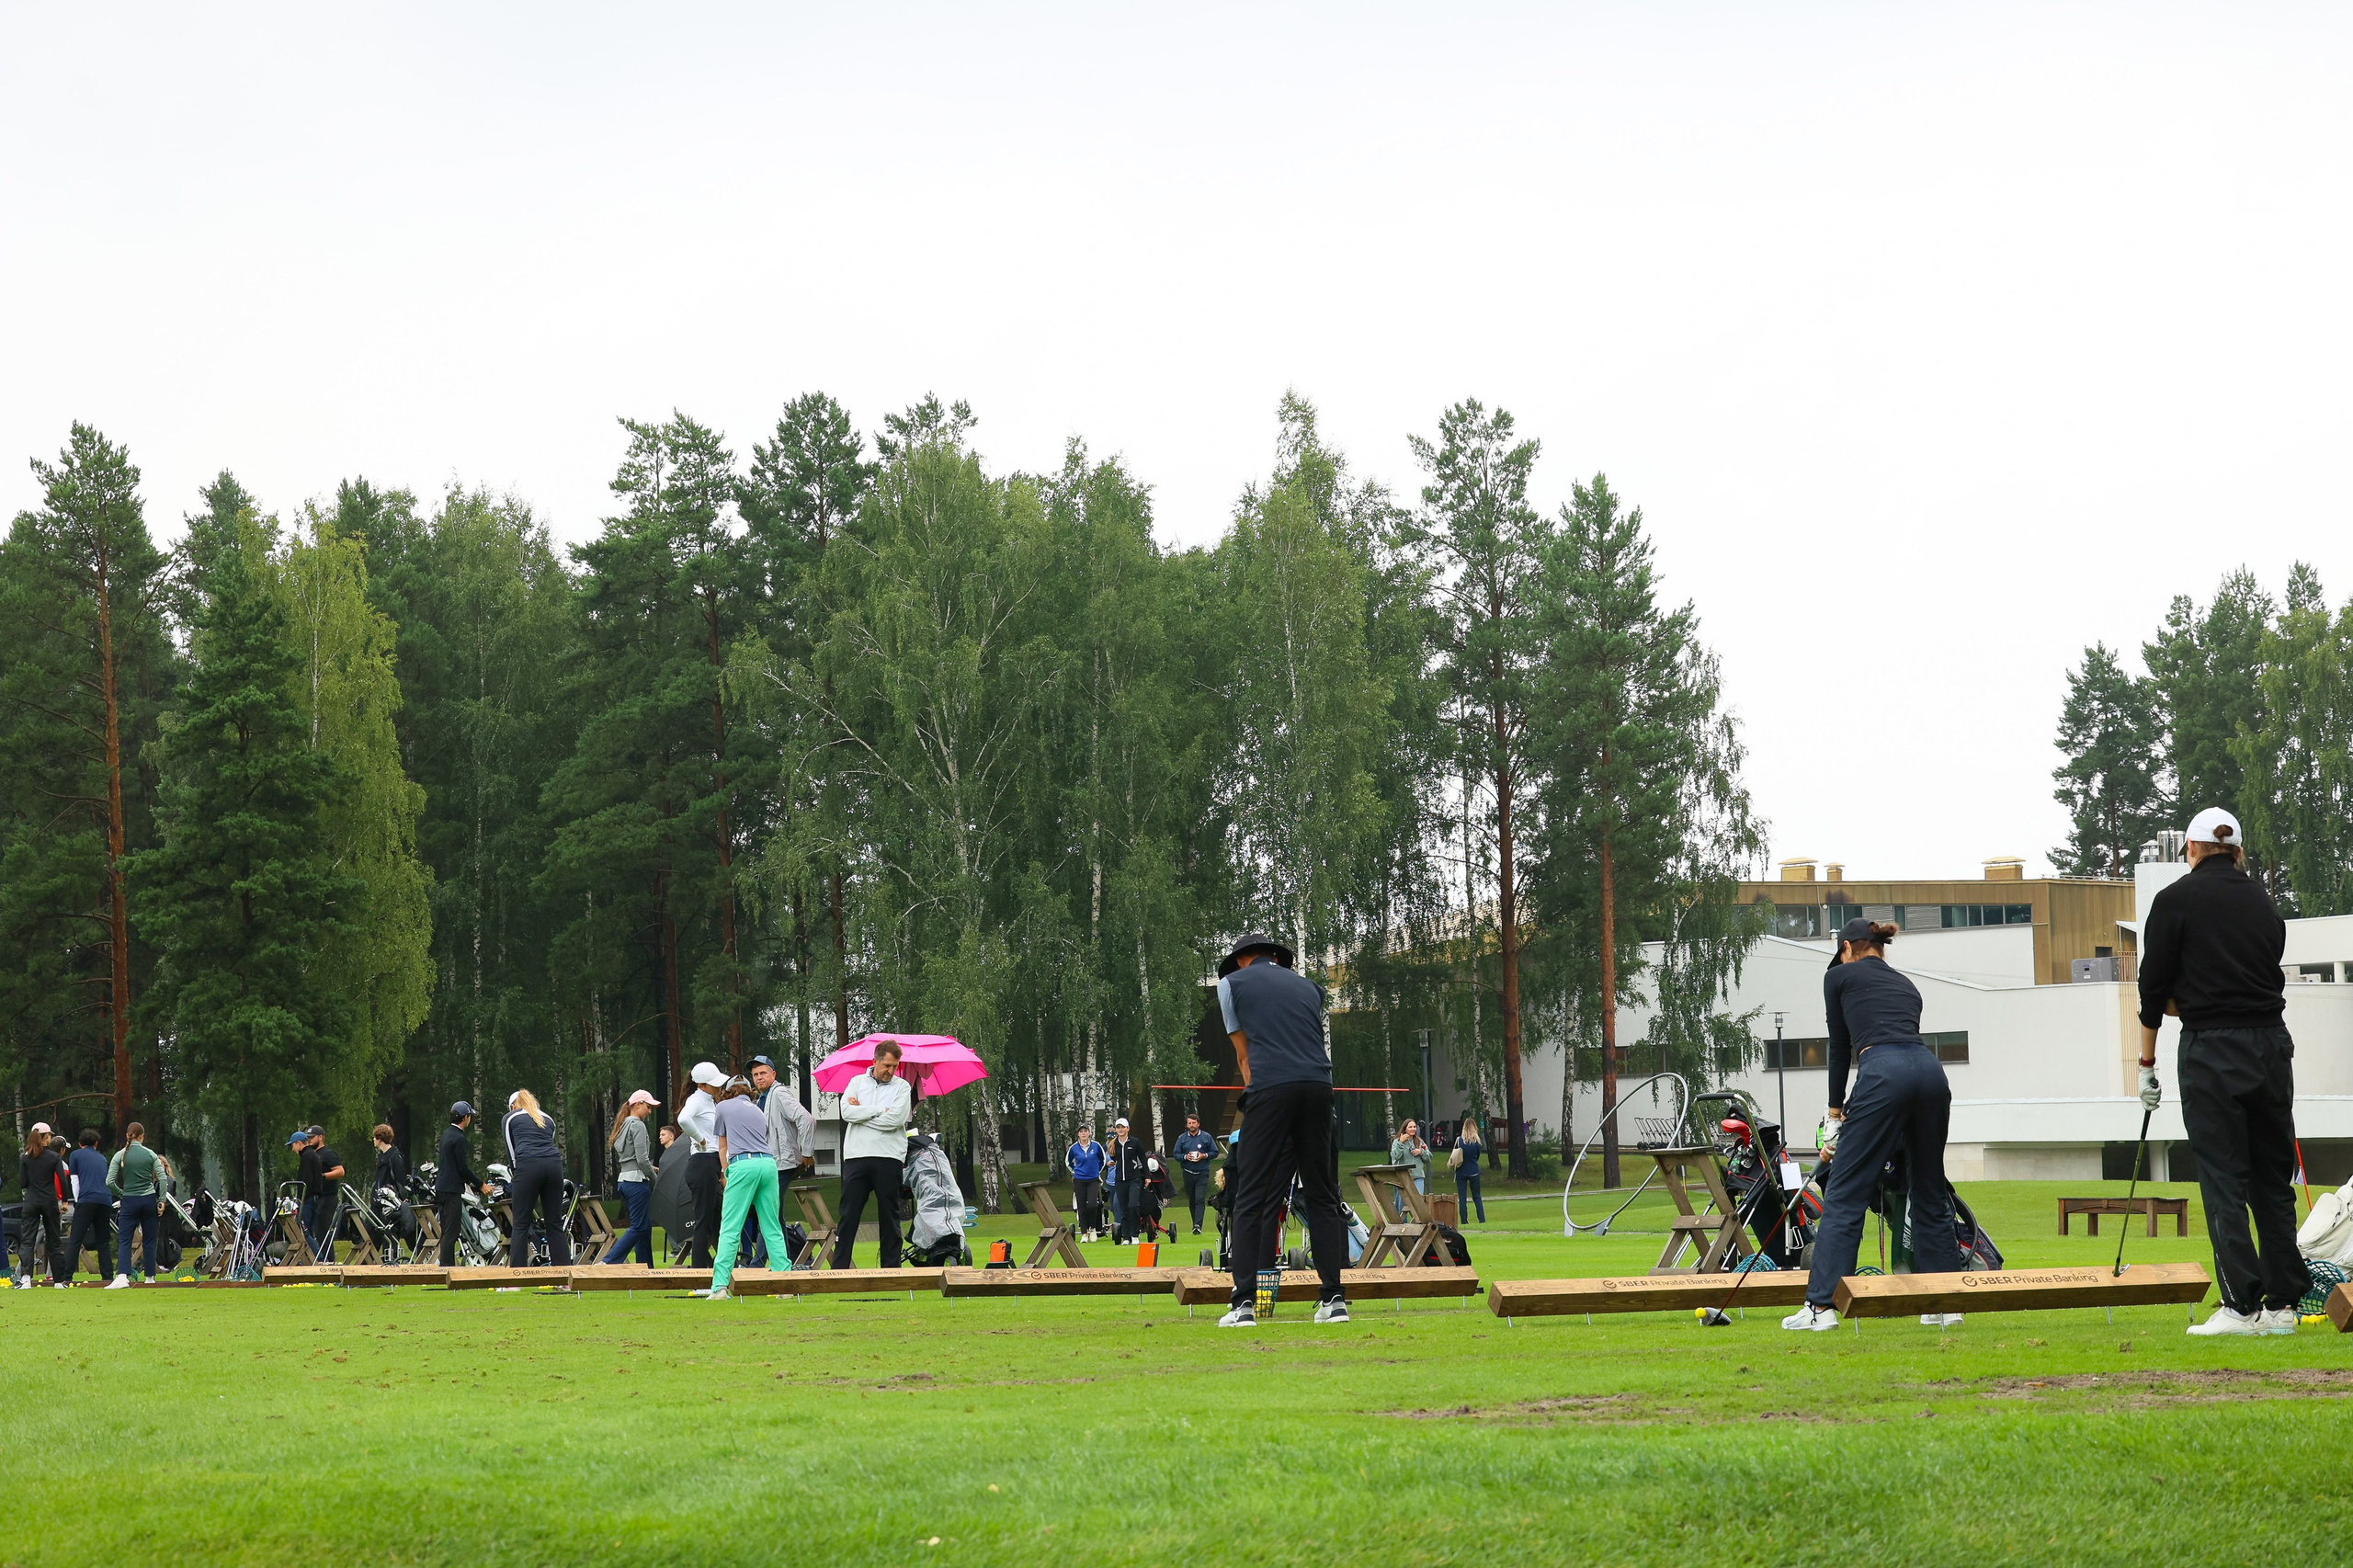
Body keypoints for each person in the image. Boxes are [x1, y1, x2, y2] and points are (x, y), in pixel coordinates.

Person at [2139, 807, 2310, 1337]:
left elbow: (2152, 993)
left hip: (2213, 1048)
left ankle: (2241, 1306)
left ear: (2190, 849)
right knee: (2271, 1178)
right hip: (2270, 1046)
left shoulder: (2173, 901)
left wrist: (2146, 1064)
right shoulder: (2264, 902)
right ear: (2237, 851)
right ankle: (2283, 1307)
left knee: (2222, 1177)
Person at [1784, 919, 1965, 1333]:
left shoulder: (1837, 976)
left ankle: (1820, 1308)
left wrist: (1834, 1116)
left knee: (1846, 1190)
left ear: (1847, 947)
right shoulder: (1907, 984)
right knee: (1930, 1189)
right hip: (1930, 1073)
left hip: (1883, 1072)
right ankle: (1945, 1302)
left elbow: (1838, 1047)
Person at [1216, 933, 1351, 1327]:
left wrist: (1255, 1097)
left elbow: (1244, 1055)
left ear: (1241, 960)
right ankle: (1334, 1301)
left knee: (1252, 1198)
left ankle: (1243, 1305)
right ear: (1276, 957)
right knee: (1324, 1196)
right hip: (1319, 1087)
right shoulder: (1309, 987)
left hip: (1271, 1087)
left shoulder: (1230, 985)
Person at [709, 1076, 790, 1301]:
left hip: (743, 1165)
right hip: (768, 1165)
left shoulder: (723, 1106)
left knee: (730, 1227)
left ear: (727, 1091)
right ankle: (785, 1284)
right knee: (771, 1225)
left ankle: (719, 1287)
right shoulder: (757, 1110)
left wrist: (725, 1173)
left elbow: (723, 1147)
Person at [833, 1040, 913, 1268]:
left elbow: (896, 1119)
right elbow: (847, 1112)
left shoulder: (902, 1087)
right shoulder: (856, 1082)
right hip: (856, 1157)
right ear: (874, 1061)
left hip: (889, 1158)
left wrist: (863, 1115)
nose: (891, 1070)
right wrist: (879, 1111)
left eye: (895, 1066)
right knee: (848, 1215)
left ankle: (891, 1270)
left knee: (889, 1215)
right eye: (887, 1065)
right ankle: (839, 1270)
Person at [744, 1054, 816, 1266]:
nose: (759, 1078)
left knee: (769, 1213)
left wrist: (807, 1152)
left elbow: (806, 1119)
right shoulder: (761, 1099)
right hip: (770, 1164)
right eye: (755, 1075)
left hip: (781, 1164)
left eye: (763, 1073)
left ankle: (758, 1262)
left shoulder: (779, 1093)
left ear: (773, 1074)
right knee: (774, 1214)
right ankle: (784, 1262)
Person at [501, 1090, 572, 1267]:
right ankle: (564, 1277)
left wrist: (516, 1175)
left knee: (521, 1223)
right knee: (554, 1223)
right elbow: (549, 1144)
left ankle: (516, 1278)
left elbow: (512, 1151)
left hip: (528, 1165)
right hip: (554, 1167)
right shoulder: (548, 1119)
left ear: (513, 1106)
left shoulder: (510, 1117)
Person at [106, 1122, 173, 1287]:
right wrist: (161, 1200)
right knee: (149, 1239)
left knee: (125, 1239)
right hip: (149, 1199)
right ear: (142, 1136)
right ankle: (150, 1277)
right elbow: (163, 1178)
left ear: (127, 1135)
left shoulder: (120, 1155)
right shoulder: (150, 1154)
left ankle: (122, 1276)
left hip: (129, 1200)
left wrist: (121, 1193)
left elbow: (109, 1181)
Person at [676, 1062, 726, 1268]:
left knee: (719, 1218)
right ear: (702, 1085)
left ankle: (720, 1266)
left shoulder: (709, 1101)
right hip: (703, 1162)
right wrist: (701, 1139)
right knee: (703, 1220)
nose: (718, 1087)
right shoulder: (697, 1099)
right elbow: (683, 1119)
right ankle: (698, 1270)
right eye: (713, 1084)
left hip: (710, 1164)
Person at [603, 1090, 660, 1265]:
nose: (650, 1111)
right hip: (637, 1181)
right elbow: (642, 1160)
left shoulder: (623, 1125)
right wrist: (655, 1180)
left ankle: (646, 1269)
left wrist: (649, 1168)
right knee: (639, 1226)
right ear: (638, 1104)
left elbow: (631, 1158)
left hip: (624, 1181)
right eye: (648, 1107)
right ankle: (609, 1261)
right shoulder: (638, 1125)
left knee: (645, 1226)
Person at [434, 1103, 489, 1267]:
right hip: (452, 1190)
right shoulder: (459, 1138)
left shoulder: (446, 1134)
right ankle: (448, 1269)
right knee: (452, 1232)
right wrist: (481, 1185)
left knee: (446, 1231)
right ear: (465, 1118)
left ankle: (446, 1265)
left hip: (441, 1187)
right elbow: (462, 1168)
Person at [15, 1124, 64, 1287]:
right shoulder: (54, 1157)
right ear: (46, 1137)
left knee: (28, 1241)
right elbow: (62, 1181)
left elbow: (23, 1182)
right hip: (49, 1201)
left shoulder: (25, 1157)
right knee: (54, 1240)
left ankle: (26, 1279)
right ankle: (58, 1281)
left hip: (31, 1201)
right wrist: (64, 1201)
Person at [63, 1128, 113, 1283]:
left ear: (80, 1143)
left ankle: (67, 1277)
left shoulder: (76, 1155)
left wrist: (77, 1201)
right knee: (103, 1240)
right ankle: (107, 1276)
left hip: (87, 1199)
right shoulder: (102, 1158)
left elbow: (75, 1181)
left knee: (76, 1239)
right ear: (96, 1144)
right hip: (105, 1199)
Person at [292, 1126, 345, 1260]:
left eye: (312, 1137)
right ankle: (316, 1258)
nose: (309, 1140)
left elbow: (340, 1171)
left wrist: (322, 1176)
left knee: (322, 1230)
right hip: (319, 1196)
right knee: (314, 1230)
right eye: (307, 1138)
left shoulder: (327, 1153)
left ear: (320, 1137)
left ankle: (328, 1260)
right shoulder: (312, 1154)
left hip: (328, 1196)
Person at [1173, 1113, 1218, 1234]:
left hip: (1202, 1172)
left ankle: (1198, 1225)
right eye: (1189, 1123)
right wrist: (1185, 1157)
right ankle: (1195, 1224)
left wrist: (1203, 1155)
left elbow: (1215, 1152)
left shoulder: (1206, 1137)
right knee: (1192, 1200)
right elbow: (1176, 1154)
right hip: (1188, 1173)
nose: (1191, 1125)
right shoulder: (1182, 1138)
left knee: (1199, 1198)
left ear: (1198, 1124)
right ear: (1187, 1125)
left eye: (1194, 1123)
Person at [1104, 1118, 1146, 1244]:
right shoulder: (1114, 1144)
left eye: (1123, 1127)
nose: (1120, 1130)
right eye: (1118, 1127)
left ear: (1128, 1129)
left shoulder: (1134, 1142)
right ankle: (1126, 1236)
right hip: (1119, 1180)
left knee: (1133, 1205)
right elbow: (1114, 1158)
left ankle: (1135, 1234)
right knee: (1123, 1208)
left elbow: (1143, 1159)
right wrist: (1111, 1163)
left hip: (1134, 1178)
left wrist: (1148, 1176)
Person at [1067, 1125, 1107, 1241]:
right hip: (1079, 1180)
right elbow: (1068, 1162)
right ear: (1078, 1134)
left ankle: (1092, 1229)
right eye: (1081, 1132)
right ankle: (1084, 1233)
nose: (1083, 1133)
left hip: (1093, 1180)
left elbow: (1102, 1160)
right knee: (1081, 1206)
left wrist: (1097, 1171)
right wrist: (1075, 1171)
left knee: (1092, 1205)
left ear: (1089, 1133)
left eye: (1085, 1131)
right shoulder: (1074, 1148)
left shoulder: (1096, 1146)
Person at [1388, 1119, 1430, 1215]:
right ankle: (1402, 1226)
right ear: (1405, 1129)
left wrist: (1421, 1152)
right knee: (1401, 1205)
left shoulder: (1419, 1141)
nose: (1413, 1129)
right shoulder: (1397, 1141)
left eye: (1414, 1127)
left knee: (1418, 1202)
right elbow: (1395, 1156)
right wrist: (1401, 1143)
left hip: (1418, 1176)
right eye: (1410, 1127)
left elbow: (1428, 1157)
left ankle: (1418, 1225)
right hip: (1401, 1178)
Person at [1452, 1118, 1487, 1224]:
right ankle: (1482, 1220)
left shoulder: (1460, 1140)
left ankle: (1464, 1221)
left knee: (1462, 1198)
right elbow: (1477, 1156)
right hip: (1474, 1171)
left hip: (1461, 1171)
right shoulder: (1477, 1142)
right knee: (1477, 1196)